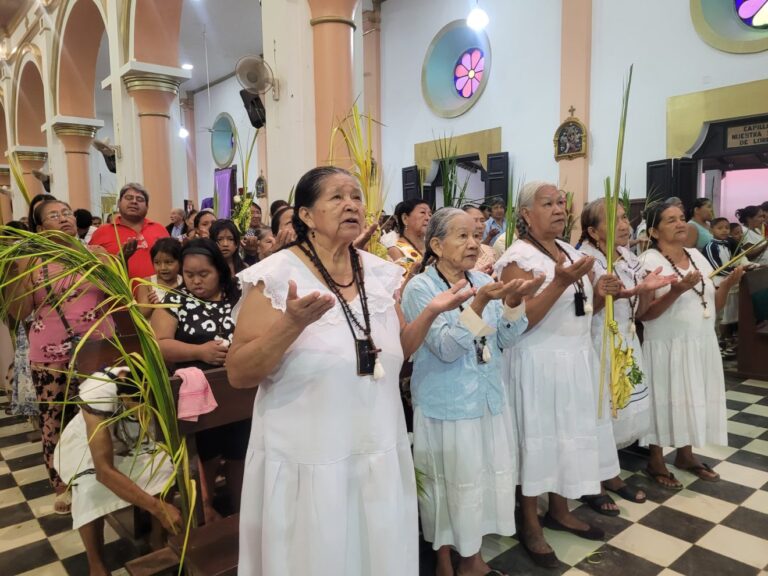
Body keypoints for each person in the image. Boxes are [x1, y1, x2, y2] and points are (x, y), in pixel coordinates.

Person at [227, 166, 471, 576]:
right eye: (337, 197)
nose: (352, 205)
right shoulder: (276, 276)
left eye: (356, 196)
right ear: (306, 215)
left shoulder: (377, 272)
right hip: (310, 453)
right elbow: (238, 373)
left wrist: (430, 312)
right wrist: (291, 325)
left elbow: (398, 351)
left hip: (375, 442)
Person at [402, 208, 540, 576]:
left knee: (476, 485)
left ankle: (472, 559)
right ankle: (445, 561)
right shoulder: (421, 288)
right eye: (462, 236)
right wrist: (479, 303)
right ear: (436, 245)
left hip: (486, 398)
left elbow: (503, 340)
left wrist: (513, 304)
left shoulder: (480, 278)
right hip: (448, 405)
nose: (473, 243)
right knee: (448, 487)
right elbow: (446, 348)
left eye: (475, 236)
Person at [494, 181, 602, 568]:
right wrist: (559, 283)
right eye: (548, 204)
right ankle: (529, 522)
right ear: (526, 214)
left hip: (573, 359)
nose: (559, 209)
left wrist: (603, 291)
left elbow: (585, 307)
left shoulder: (570, 251)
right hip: (535, 362)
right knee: (536, 440)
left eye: (561, 202)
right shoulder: (517, 259)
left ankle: (560, 508)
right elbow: (518, 323)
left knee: (566, 437)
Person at [4, 197, 115, 514]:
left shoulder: (96, 253)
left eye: (67, 212)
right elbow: (20, 311)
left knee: (100, 415)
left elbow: (116, 296)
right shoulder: (31, 261)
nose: (64, 218)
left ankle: (105, 473)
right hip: (50, 351)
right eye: (54, 215)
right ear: (40, 228)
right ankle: (63, 484)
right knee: (55, 418)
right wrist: (12, 275)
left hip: (97, 348)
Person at [638, 203, 744, 489]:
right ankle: (656, 460)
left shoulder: (696, 256)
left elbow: (712, 303)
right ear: (654, 231)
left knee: (692, 396)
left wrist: (727, 284)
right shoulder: (649, 261)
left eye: (682, 218)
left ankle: (685, 455)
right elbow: (644, 315)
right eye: (671, 220)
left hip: (699, 342)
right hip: (667, 345)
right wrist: (676, 291)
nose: (680, 224)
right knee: (664, 398)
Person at [579, 199, 674, 513]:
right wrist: (622, 292)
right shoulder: (586, 260)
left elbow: (640, 312)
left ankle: (611, 473)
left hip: (627, 338)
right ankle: (592, 480)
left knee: (620, 408)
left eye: (624, 217)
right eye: (614, 220)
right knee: (599, 412)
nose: (624, 225)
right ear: (593, 231)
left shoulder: (629, 257)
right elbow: (585, 309)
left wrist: (645, 290)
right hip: (599, 341)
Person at [151, 238, 246, 522]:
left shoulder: (237, 295)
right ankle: (206, 509)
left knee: (240, 449)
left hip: (240, 388)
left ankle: (241, 508)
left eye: (204, 274)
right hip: (197, 393)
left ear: (219, 270)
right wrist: (199, 352)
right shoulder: (175, 299)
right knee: (207, 450)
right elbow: (159, 343)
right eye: (189, 274)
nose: (195, 281)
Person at [53, 367, 180, 576]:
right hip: (88, 447)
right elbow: (104, 471)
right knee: (88, 489)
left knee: (164, 466)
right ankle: (97, 565)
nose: (143, 412)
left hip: (131, 439)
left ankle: (158, 541)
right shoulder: (97, 393)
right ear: (124, 398)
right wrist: (158, 508)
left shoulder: (152, 381)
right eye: (138, 407)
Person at [89, 183, 169, 279]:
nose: (134, 201)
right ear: (119, 203)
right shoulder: (102, 232)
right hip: (119, 288)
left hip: (158, 288)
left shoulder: (159, 229)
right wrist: (120, 259)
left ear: (147, 206)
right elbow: (91, 268)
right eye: (129, 198)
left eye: (140, 199)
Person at [136, 238, 182, 318]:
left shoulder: (185, 282)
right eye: (157, 263)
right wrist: (150, 305)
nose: (163, 267)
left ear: (180, 261)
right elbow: (140, 315)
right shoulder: (146, 283)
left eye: (168, 262)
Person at [388, 199, 432, 275]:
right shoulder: (396, 250)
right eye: (422, 212)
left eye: (430, 214)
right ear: (405, 218)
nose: (428, 218)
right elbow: (403, 280)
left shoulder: (433, 247)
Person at [463, 205, 496, 273]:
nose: (480, 226)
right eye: (474, 221)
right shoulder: (456, 254)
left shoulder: (489, 250)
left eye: (482, 221)